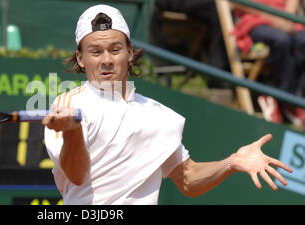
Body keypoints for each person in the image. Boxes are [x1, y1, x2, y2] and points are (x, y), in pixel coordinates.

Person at [42, 4, 293, 205]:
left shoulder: (161, 117)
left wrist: (232, 162)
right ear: (81, 58)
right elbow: (76, 176)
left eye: (115, 49)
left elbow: (188, 180)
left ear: (129, 52)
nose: (106, 60)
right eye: (96, 52)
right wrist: (72, 131)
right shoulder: (68, 105)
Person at [231, 0, 305, 126]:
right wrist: (272, 18)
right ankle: (286, 99)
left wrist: (287, 19)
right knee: (282, 40)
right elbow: (235, 3)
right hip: (255, 19)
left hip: (286, 21)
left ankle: (296, 98)